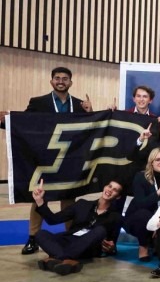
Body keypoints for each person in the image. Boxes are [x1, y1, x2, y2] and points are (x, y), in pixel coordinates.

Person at [2, 66, 93, 255]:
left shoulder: (79, 104)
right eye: (57, 78)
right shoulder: (38, 102)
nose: (61, 81)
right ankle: (33, 238)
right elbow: (25, 124)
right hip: (44, 159)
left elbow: (90, 128)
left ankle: (70, 236)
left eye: (65, 78)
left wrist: (90, 112)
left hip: (69, 160)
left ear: (71, 82)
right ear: (51, 81)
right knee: (38, 198)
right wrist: (7, 120)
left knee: (69, 199)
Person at [33, 179, 122, 276]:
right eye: (109, 186)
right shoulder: (82, 204)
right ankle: (67, 260)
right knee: (40, 234)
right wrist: (39, 201)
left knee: (100, 230)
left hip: (86, 248)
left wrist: (111, 248)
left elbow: (112, 244)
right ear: (105, 187)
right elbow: (53, 219)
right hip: (68, 240)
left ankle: (56, 258)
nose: (110, 190)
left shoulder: (115, 217)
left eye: (115, 190)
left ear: (118, 196)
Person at [123, 148, 160, 261]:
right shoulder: (141, 177)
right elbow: (140, 204)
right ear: (151, 162)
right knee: (144, 214)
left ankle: (158, 242)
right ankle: (143, 248)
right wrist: (159, 191)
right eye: (158, 159)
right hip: (138, 218)